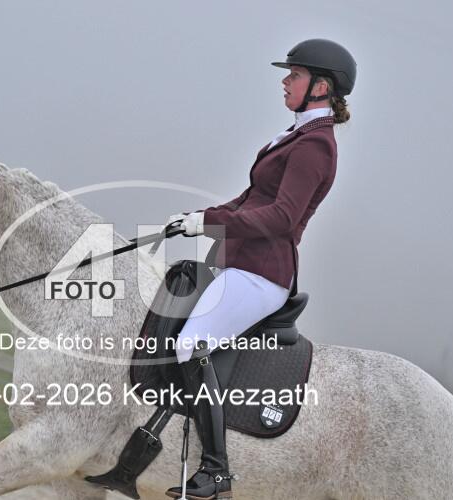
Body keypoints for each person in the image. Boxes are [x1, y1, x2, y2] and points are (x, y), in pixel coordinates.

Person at [163, 38, 357, 500]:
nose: (285, 81)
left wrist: (209, 224)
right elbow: (251, 200)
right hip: (241, 262)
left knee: (191, 344)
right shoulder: (294, 136)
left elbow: (282, 217)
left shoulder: (315, 146)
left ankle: (216, 471)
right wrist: (199, 218)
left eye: (295, 74)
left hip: (262, 272)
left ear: (321, 86)